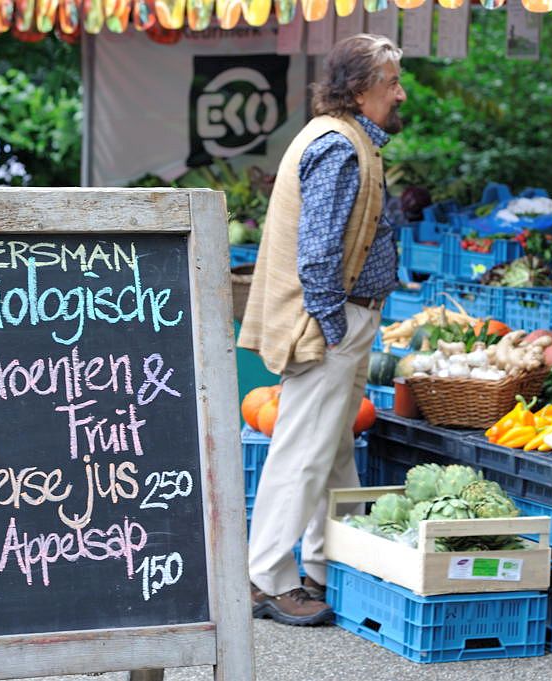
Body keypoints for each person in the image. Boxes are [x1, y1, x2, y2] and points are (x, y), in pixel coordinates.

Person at [237, 33, 406, 626]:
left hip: (343, 317)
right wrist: (335, 327)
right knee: (304, 454)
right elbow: (318, 253)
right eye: (391, 83)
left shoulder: (343, 137)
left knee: (331, 453)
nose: (400, 93)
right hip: (332, 319)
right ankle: (266, 578)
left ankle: (323, 565)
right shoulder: (339, 146)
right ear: (360, 89)